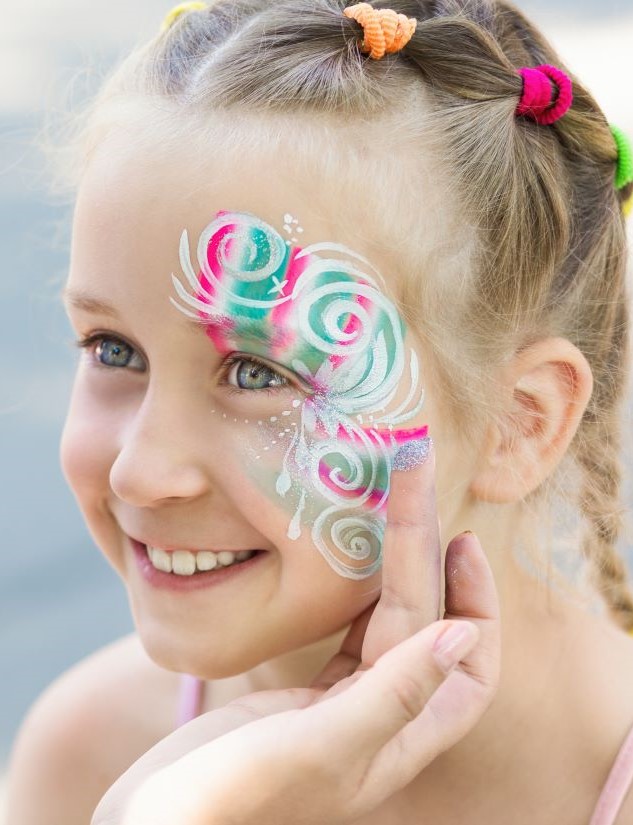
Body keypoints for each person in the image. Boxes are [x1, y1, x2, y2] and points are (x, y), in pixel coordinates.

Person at [6, 0, 633, 823]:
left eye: (257, 370)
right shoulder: (89, 751)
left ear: (519, 421)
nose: (140, 470)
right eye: (113, 349)